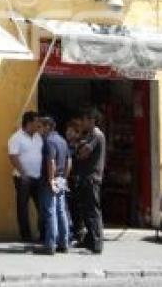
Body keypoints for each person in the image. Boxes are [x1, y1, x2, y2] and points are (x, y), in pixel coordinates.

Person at [35, 116, 71, 256]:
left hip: (50, 179)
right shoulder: (62, 140)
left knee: (50, 212)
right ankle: (64, 243)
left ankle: (50, 244)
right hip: (61, 178)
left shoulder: (48, 141)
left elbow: (50, 161)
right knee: (61, 211)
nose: (39, 130)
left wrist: (50, 179)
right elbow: (69, 160)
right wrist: (65, 177)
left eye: (40, 127)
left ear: (48, 127)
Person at [8, 111, 44, 243]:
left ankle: (43, 234)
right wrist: (23, 173)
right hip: (23, 178)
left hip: (38, 177)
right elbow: (13, 156)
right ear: (29, 123)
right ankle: (26, 236)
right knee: (23, 207)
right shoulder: (16, 137)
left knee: (42, 205)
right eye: (36, 122)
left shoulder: (38, 137)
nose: (39, 124)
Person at [73, 109, 106, 254]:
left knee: (93, 211)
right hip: (87, 178)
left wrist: (79, 148)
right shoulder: (90, 135)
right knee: (86, 211)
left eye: (85, 120)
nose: (83, 123)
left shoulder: (96, 135)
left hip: (92, 178)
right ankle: (90, 240)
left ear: (92, 120)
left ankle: (97, 243)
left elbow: (84, 152)